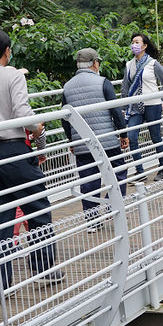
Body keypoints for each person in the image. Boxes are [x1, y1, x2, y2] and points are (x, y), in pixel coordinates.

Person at [0, 29, 62, 296]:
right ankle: (44, 269)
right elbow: (21, 111)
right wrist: (37, 128)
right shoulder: (13, 75)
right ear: (7, 50)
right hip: (13, 150)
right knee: (37, 207)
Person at [62, 47, 130, 214]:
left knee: (88, 182)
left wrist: (71, 140)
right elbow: (115, 110)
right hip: (106, 141)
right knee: (118, 172)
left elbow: (65, 118)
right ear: (94, 64)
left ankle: (92, 220)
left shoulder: (67, 87)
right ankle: (110, 206)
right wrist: (123, 134)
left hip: (82, 143)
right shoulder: (103, 82)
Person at [122, 33, 163, 181]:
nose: (134, 45)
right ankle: (140, 172)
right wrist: (124, 108)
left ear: (144, 46)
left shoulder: (152, 63)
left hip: (152, 104)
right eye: (132, 42)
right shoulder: (128, 65)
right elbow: (125, 88)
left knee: (155, 136)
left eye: (137, 42)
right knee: (131, 137)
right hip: (135, 107)